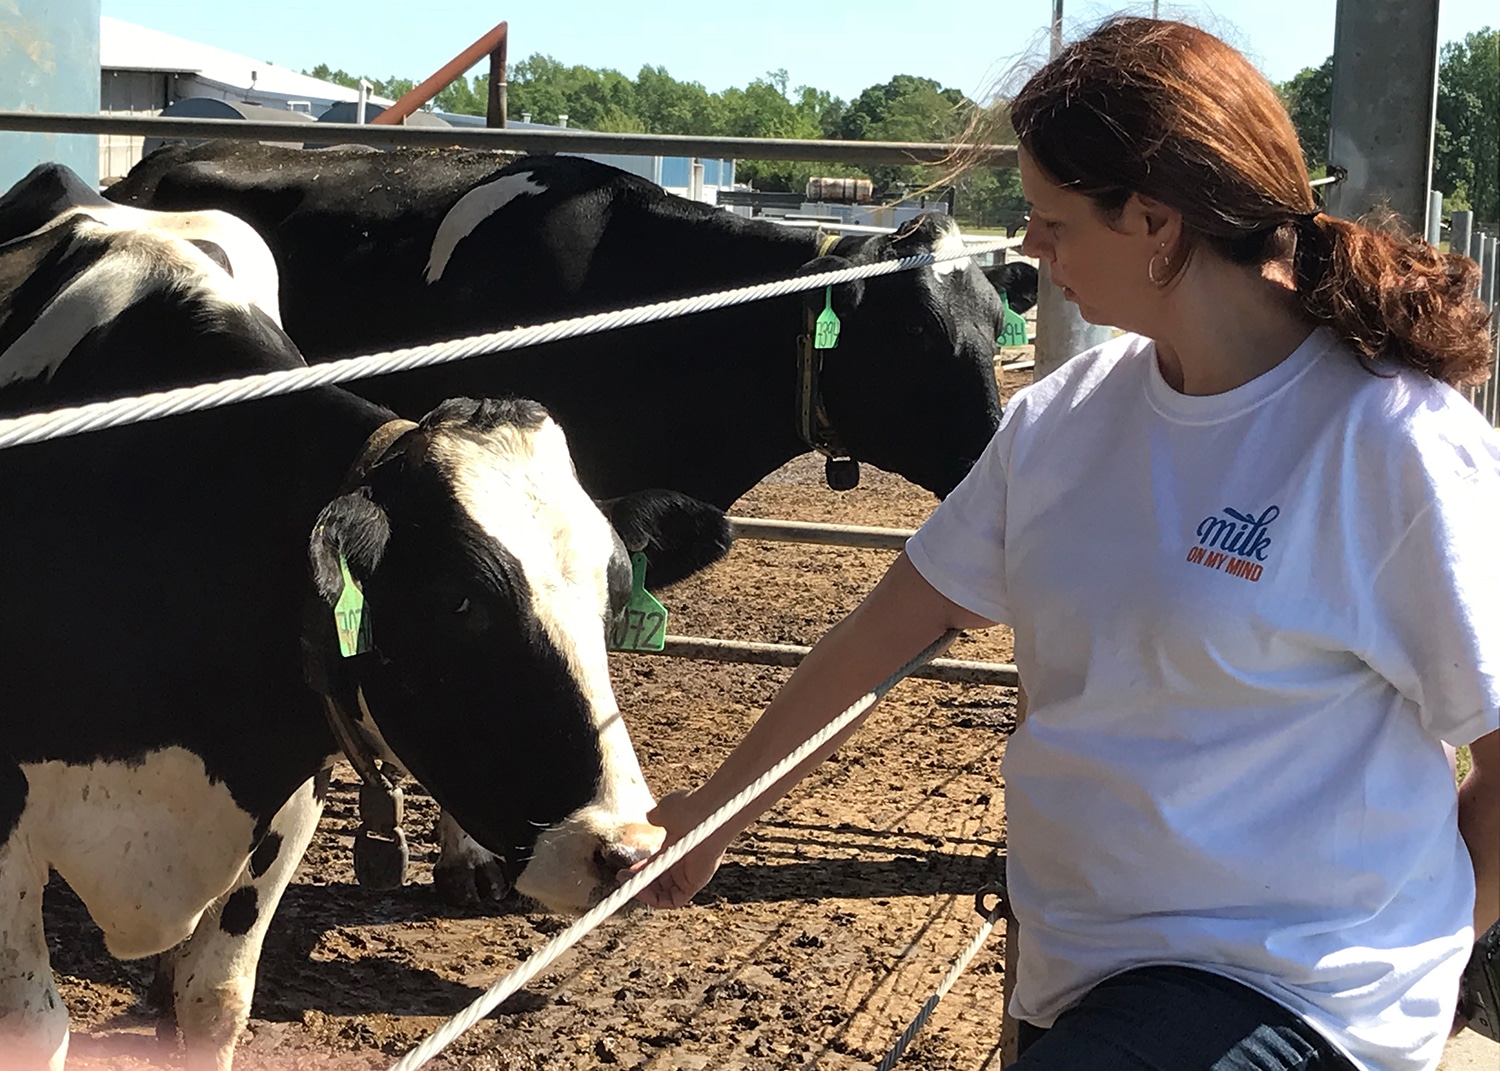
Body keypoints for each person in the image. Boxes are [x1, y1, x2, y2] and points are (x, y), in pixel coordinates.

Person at [630, 16, 1500, 1071]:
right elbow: (890, 627)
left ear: (1156, 223)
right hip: (1078, 967)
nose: (1030, 249)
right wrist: (715, 816)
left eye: (1049, 220)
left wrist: (1422, 945)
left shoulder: (1388, 442)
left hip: (1289, 991)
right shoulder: (1070, 415)